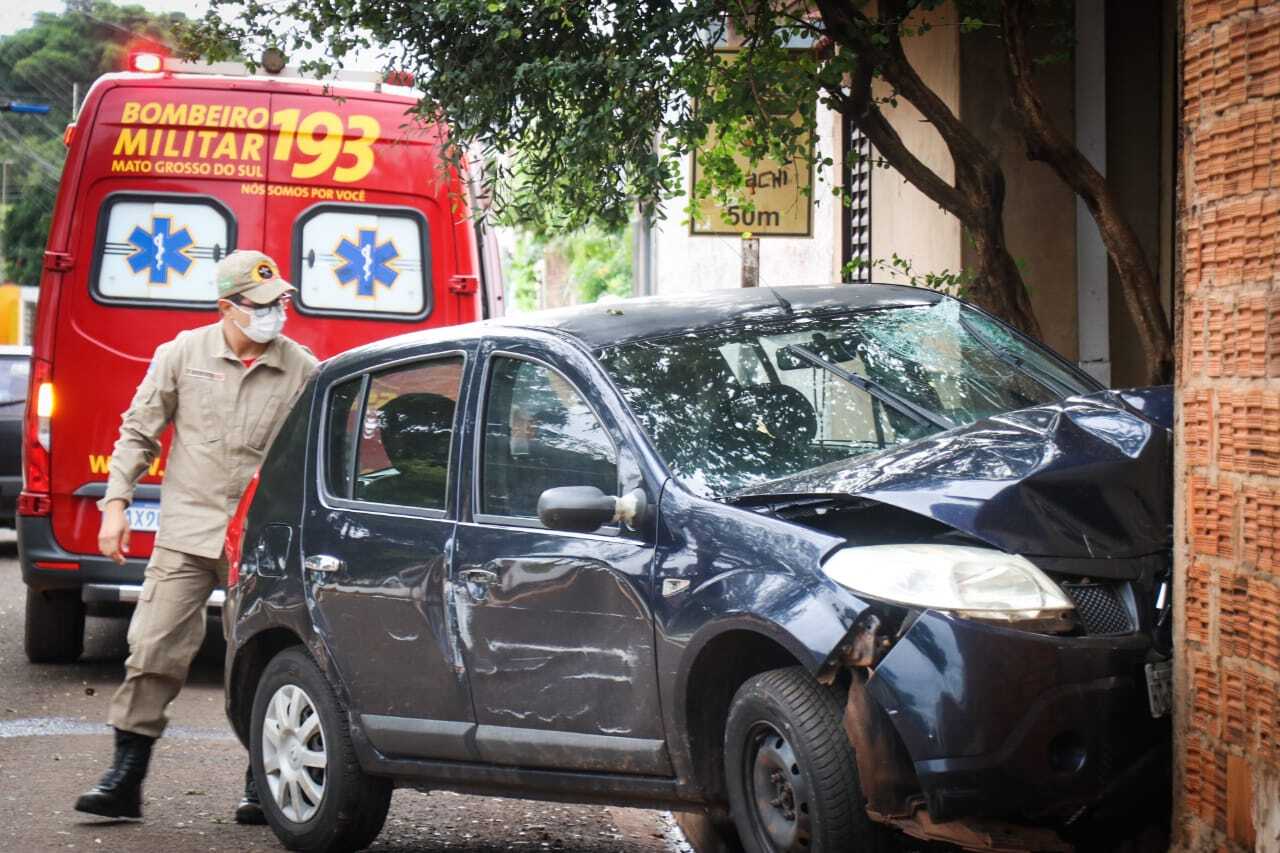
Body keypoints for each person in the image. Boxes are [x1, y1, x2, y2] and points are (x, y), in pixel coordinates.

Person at [73, 251, 318, 824]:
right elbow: (138, 433)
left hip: (260, 544)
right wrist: (115, 505)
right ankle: (126, 777)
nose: (273, 313)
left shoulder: (303, 368)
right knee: (152, 647)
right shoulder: (181, 353)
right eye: (258, 305)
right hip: (187, 531)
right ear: (226, 308)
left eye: (278, 301)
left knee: (262, 658)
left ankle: (264, 778)